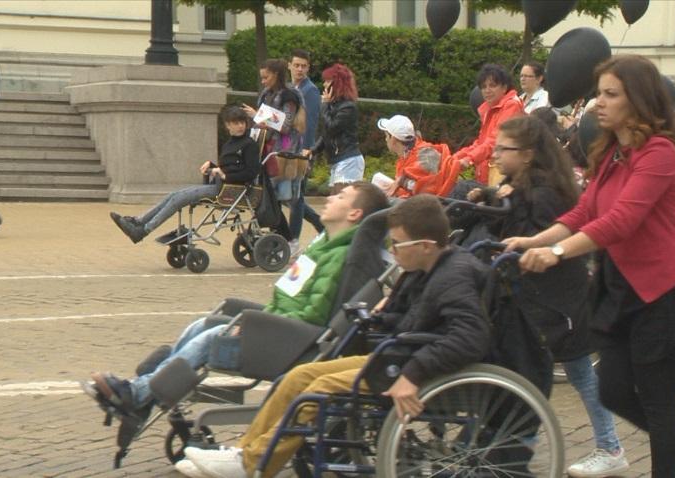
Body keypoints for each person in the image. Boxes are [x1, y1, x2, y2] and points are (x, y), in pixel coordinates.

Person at [504, 55, 675, 478]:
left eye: (610, 95)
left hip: (660, 290)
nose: (598, 103)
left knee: (659, 402)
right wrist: (535, 240)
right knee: (614, 390)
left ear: (638, 100)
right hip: (621, 287)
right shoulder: (612, 152)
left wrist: (556, 254)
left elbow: (621, 220)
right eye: (599, 94)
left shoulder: (658, 152)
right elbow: (586, 209)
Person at [178, 194, 491, 478]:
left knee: (320, 388)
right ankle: (244, 453)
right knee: (300, 376)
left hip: (412, 366)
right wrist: (383, 314)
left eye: (397, 245)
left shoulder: (454, 276)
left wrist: (414, 373)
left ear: (425, 245)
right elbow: (414, 319)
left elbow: (469, 337)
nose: (392, 252)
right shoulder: (422, 269)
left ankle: (255, 465)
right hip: (395, 356)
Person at [87, 182, 389, 416]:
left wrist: (259, 324)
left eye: (341, 196)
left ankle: (137, 394)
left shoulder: (340, 258)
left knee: (211, 337)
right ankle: (144, 390)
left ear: (355, 213)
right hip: (278, 331)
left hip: (290, 346)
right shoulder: (321, 248)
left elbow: (312, 315)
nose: (330, 198)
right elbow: (290, 298)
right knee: (201, 326)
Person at [469, 115, 628, 477]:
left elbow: (538, 240)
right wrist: (494, 198)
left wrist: (505, 213)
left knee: (556, 373)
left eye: (503, 149)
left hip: (556, 301)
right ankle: (528, 444)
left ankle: (605, 446)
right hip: (546, 298)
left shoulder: (543, 193)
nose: (495, 155)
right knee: (564, 372)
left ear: (526, 154)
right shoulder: (524, 185)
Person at [110, 106, 260, 243]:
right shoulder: (229, 145)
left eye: (242, 122)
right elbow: (229, 167)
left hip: (231, 190)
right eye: (236, 123)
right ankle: (138, 221)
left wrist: (224, 176)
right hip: (221, 186)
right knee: (173, 195)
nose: (240, 126)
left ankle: (144, 230)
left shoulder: (249, 145)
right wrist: (212, 166)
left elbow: (251, 172)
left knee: (179, 199)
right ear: (228, 125)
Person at [243, 58, 305, 250]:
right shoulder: (266, 94)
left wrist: (258, 116)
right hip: (266, 151)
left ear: (276, 75)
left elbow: (286, 125)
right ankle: (283, 238)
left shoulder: (289, 96)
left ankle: (289, 239)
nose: (263, 81)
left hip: (282, 154)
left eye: (266, 77)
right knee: (271, 198)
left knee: (277, 198)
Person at [452, 64, 524, 186]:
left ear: (504, 87)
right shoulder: (489, 109)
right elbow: (480, 143)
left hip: (501, 179)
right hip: (486, 175)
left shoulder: (511, 105)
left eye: (492, 85)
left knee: (459, 189)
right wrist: (453, 158)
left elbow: (494, 141)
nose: (487, 90)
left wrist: (469, 159)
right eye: (483, 86)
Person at [304, 63, 364, 194]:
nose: (324, 85)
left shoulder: (348, 107)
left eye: (327, 81)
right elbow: (327, 134)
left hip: (348, 159)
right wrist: (313, 151)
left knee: (340, 202)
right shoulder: (334, 105)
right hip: (338, 159)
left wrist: (324, 105)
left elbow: (331, 127)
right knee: (335, 201)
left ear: (337, 84)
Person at [287, 49, 324, 250]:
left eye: (304, 66)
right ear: (289, 65)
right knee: (291, 196)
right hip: (289, 150)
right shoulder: (290, 88)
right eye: (297, 65)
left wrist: (307, 151)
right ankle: (320, 224)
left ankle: (293, 239)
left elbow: (310, 124)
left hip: (301, 151)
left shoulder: (310, 91)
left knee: (297, 196)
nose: (300, 69)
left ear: (308, 68)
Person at [374, 114, 454, 198]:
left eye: (386, 136)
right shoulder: (411, 154)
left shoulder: (424, 156)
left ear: (393, 139)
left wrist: (401, 184)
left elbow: (426, 191)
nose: (385, 139)